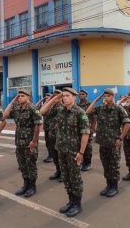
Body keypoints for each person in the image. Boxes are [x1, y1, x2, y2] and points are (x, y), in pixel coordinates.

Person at [40, 87, 90, 217]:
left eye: (68, 95)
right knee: (66, 178)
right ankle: (71, 201)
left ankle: (77, 204)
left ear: (74, 97)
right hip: (61, 149)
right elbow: (42, 111)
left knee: (75, 178)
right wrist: (54, 99)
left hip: (74, 152)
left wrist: (81, 153)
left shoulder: (80, 113)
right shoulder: (60, 110)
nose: (65, 98)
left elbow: (85, 134)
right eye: (63, 96)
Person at [86, 88, 130, 197]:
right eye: (104, 96)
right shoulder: (101, 108)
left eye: (108, 96)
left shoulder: (119, 109)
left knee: (113, 165)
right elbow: (87, 111)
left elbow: (127, 124)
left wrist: (120, 138)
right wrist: (96, 99)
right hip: (103, 142)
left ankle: (114, 187)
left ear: (113, 96)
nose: (106, 98)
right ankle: (108, 185)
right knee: (105, 165)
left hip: (114, 143)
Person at [2, 89, 42, 197]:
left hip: (29, 142)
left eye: (22, 95)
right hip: (19, 142)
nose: (20, 97)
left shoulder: (33, 109)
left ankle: (32, 186)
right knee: (22, 164)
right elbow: (4, 115)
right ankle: (25, 184)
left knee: (31, 165)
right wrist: (12, 101)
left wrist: (34, 141)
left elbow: (38, 126)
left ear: (28, 97)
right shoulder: (17, 108)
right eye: (18, 96)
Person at [43, 90, 64, 182]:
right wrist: (50, 100)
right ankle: (58, 171)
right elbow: (42, 112)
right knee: (55, 156)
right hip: (52, 134)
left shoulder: (63, 107)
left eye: (57, 96)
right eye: (54, 96)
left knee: (61, 156)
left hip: (61, 136)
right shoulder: (52, 107)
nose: (55, 97)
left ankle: (64, 173)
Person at [77, 89, 96, 171]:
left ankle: (88, 163)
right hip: (79, 129)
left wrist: (92, 128)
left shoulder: (90, 104)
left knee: (87, 147)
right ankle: (81, 161)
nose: (81, 95)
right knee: (80, 146)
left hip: (88, 129)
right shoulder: (77, 105)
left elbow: (94, 117)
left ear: (86, 95)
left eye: (83, 94)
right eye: (80, 94)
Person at [37, 93, 54, 163]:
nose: (47, 99)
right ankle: (50, 155)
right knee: (48, 143)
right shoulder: (44, 106)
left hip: (53, 129)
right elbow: (36, 107)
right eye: (46, 98)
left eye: (48, 97)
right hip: (46, 128)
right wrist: (42, 100)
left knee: (53, 143)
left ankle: (53, 156)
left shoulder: (54, 106)